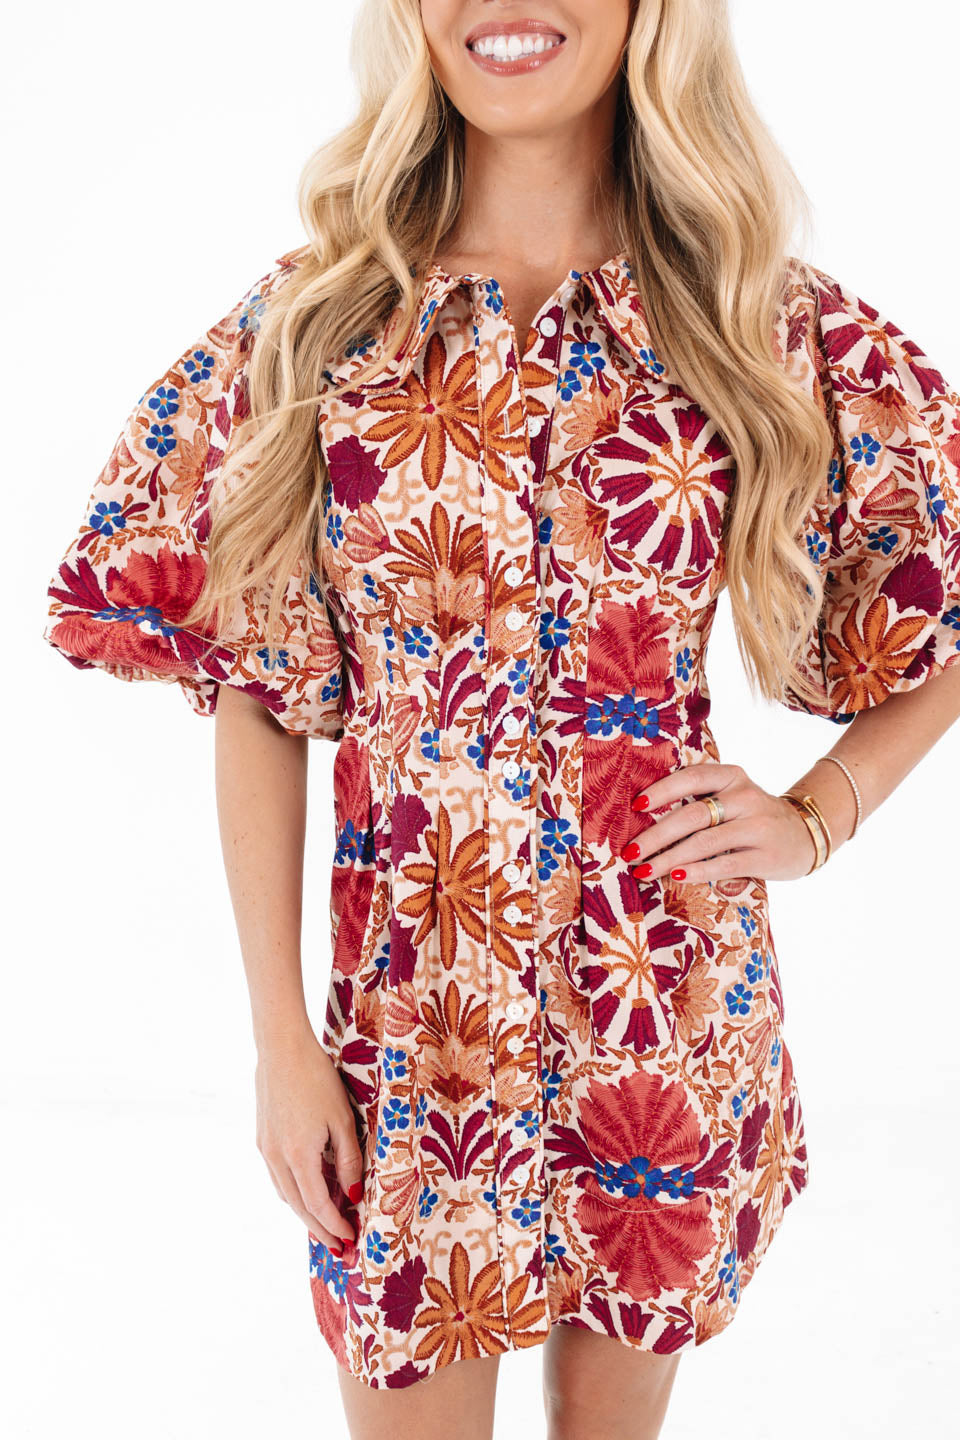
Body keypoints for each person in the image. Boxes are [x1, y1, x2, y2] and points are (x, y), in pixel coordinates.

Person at [41, 2, 960, 1437]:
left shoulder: (751, 315)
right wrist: (282, 1043)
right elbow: (260, 693)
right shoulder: (320, 324)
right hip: (415, 1029)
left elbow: (941, 574)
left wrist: (818, 815)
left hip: (659, 1005)